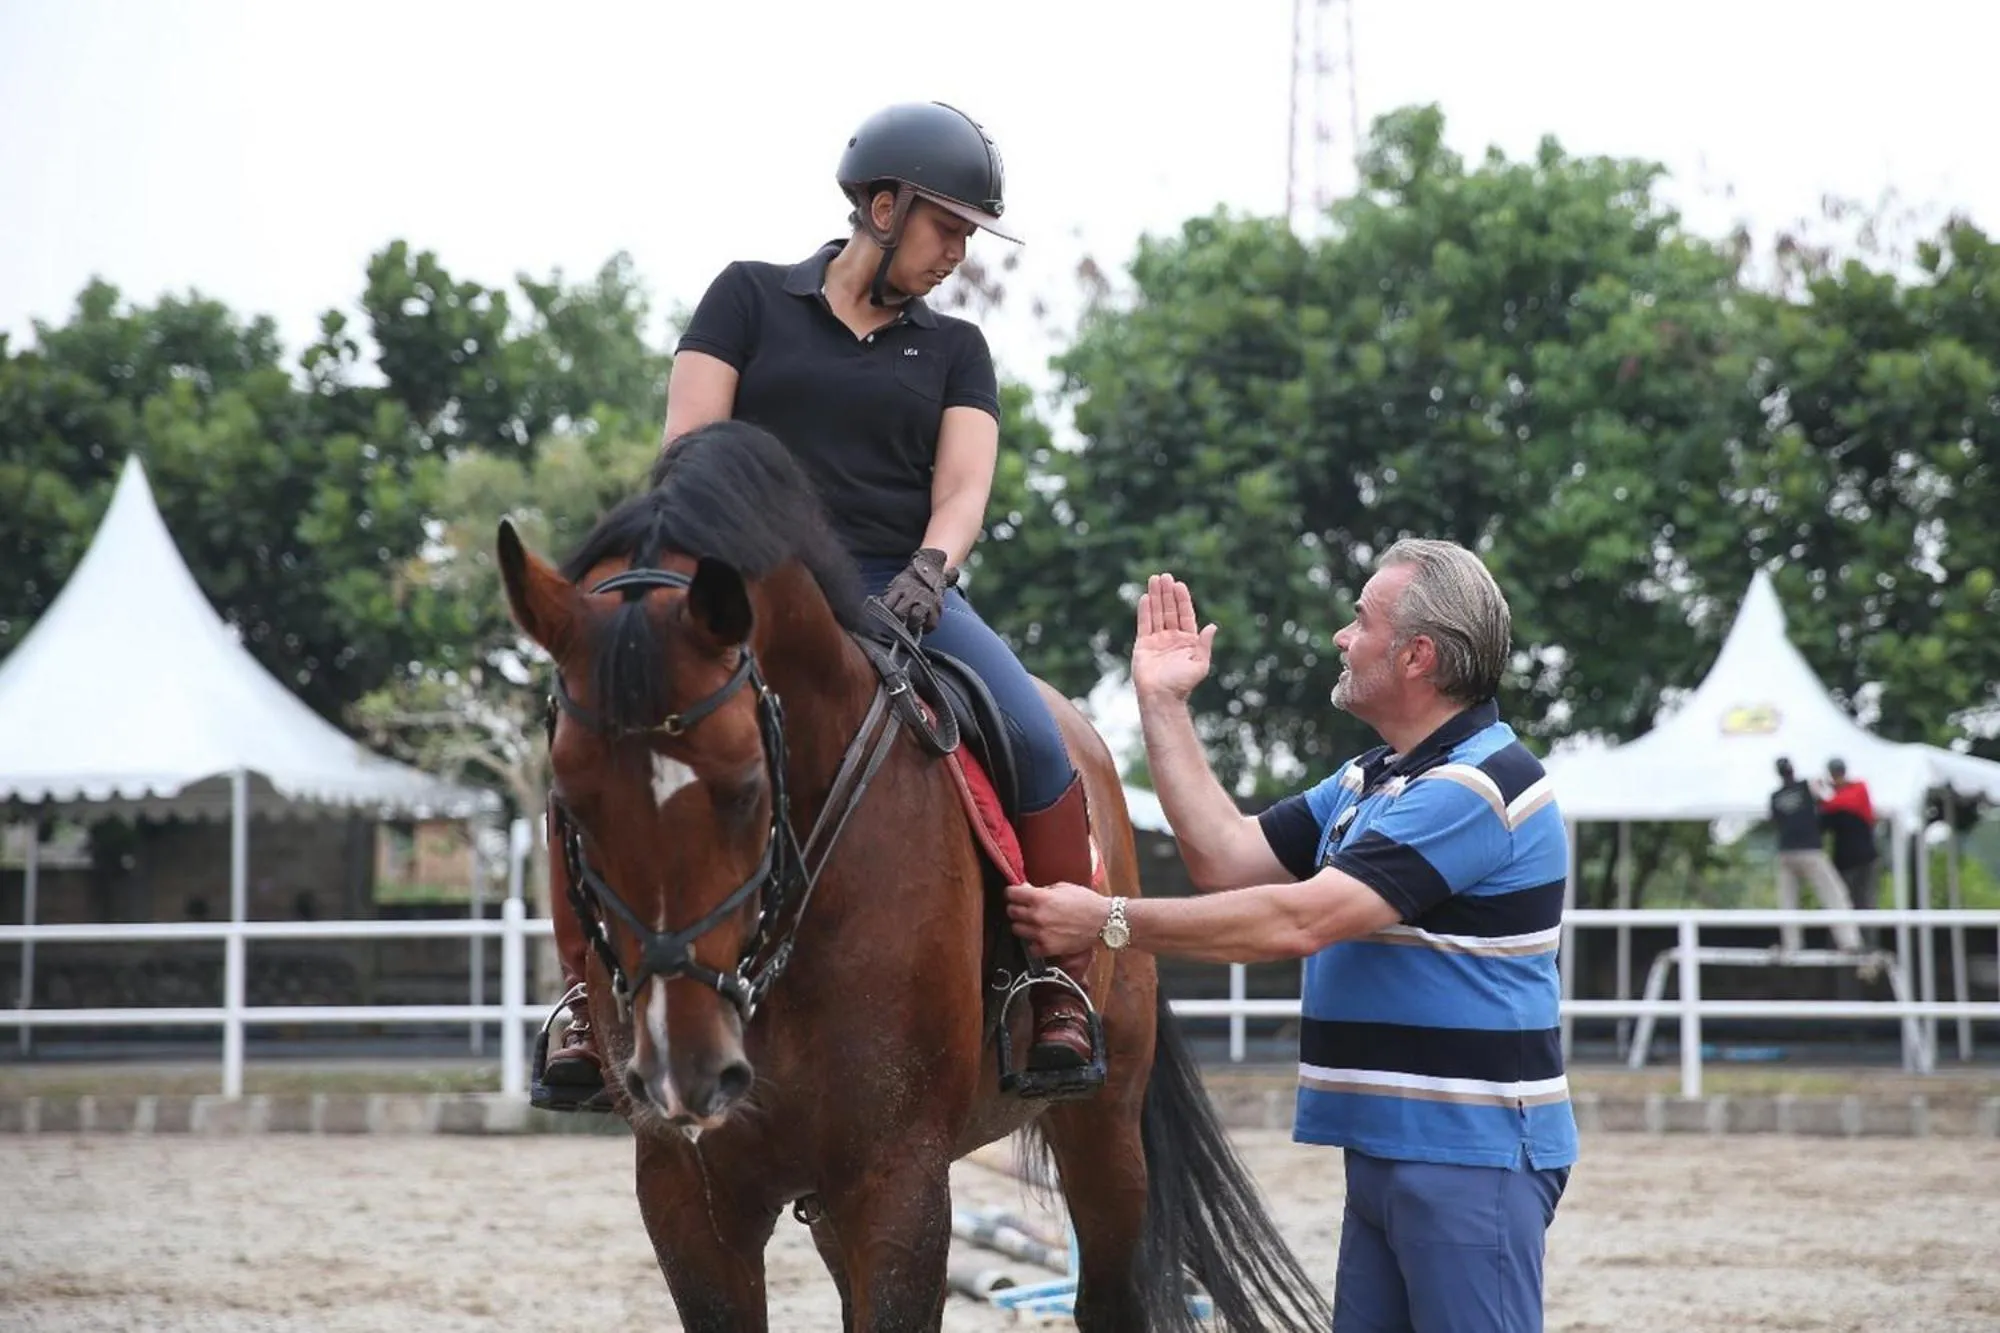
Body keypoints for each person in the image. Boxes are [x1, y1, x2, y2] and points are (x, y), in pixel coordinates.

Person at [536, 101, 1104, 1110]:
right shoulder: (745, 298)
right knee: (585, 741)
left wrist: (931, 567)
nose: (958, 253)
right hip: (745, 583)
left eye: (970, 235)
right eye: (947, 227)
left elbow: (963, 486)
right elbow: (689, 451)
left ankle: (1053, 980)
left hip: (901, 585)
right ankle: (585, 996)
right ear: (881, 208)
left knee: (1033, 731)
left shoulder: (955, 349)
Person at [1009, 540, 1576, 1333]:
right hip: (1393, 1149)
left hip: (1468, 1158)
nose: (1343, 637)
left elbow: (1299, 917)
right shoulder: (1373, 778)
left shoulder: (1476, 787)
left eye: (1360, 620)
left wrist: (1107, 920)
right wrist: (1163, 701)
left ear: (1418, 655)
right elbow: (1225, 856)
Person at [1769, 757, 1864, 952]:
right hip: (1810, 850)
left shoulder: (1775, 797)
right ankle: (1849, 942)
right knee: (1835, 896)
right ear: (1793, 770)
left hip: (1786, 852)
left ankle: (1791, 945)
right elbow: (1827, 799)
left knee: (1788, 903)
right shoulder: (1806, 786)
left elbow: (1776, 822)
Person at [1819, 758, 1880, 919]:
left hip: (1864, 859)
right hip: (1845, 861)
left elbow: (1842, 802)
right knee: (1843, 904)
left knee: (1865, 903)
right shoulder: (1833, 803)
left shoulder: (1858, 789)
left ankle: (1868, 942)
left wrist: (1825, 795)